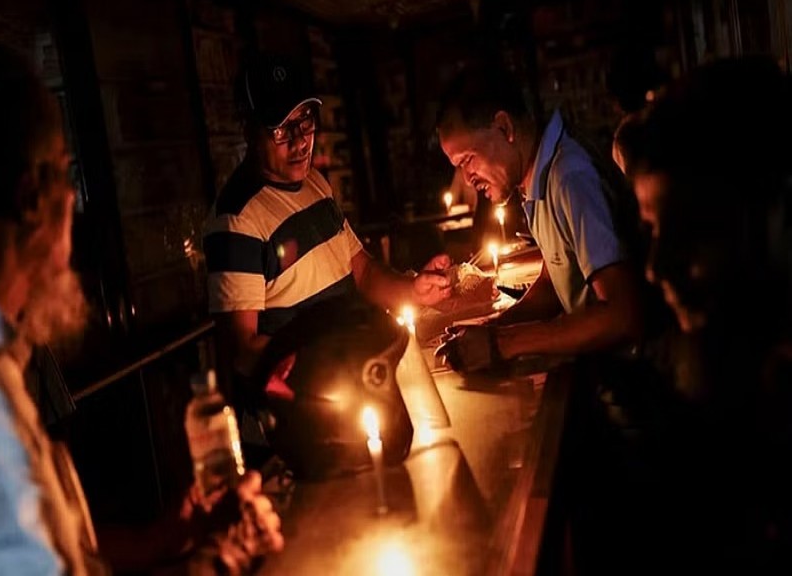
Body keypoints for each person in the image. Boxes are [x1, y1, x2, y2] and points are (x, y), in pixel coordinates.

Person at [0, 42, 282, 575]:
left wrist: (164, 539)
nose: (74, 201)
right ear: (32, 197)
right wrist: (221, 559)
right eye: (66, 172)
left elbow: (45, 548)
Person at [608, 55, 792, 573]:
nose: (656, 267)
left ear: (775, 219)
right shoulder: (726, 375)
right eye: (653, 229)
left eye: (693, 228)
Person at [203, 53, 451, 398]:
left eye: (305, 120)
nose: (301, 140)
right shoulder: (237, 219)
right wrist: (323, 355)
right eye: (281, 128)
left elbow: (362, 272)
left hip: (353, 381)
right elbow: (243, 350)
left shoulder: (316, 184)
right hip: (307, 408)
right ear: (248, 129)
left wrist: (412, 290)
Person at [433, 62, 646, 370]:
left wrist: (504, 344)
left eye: (468, 160)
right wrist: (492, 329)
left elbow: (623, 314)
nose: (467, 179)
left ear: (504, 127)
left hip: (635, 383)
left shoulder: (569, 177)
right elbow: (552, 285)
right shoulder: (538, 178)